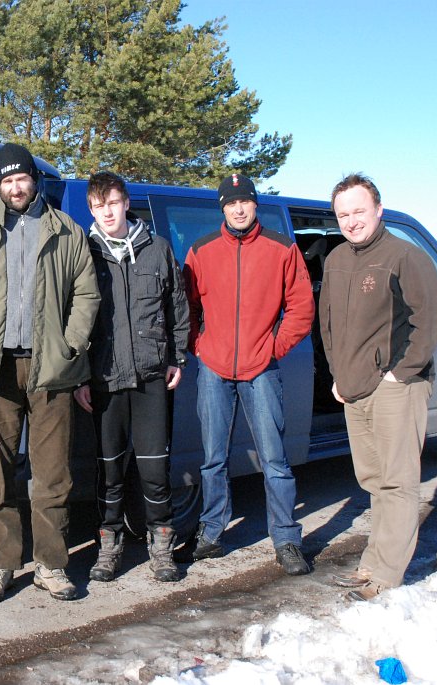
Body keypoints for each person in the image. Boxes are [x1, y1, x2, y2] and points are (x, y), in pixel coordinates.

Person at [0, 142, 100, 603]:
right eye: (7, 180)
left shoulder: (66, 230)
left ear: (34, 181)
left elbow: (86, 294)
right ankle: (1, 563)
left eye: (22, 178)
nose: (16, 187)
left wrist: (69, 345)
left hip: (50, 368)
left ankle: (50, 564)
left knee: (52, 475)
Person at [320, 173, 437, 601]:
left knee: (397, 481)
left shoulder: (404, 256)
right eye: (343, 214)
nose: (351, 221)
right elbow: (328, 324)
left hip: (396, 385)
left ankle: (387, 575)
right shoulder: (337, 258)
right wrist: (338, 375)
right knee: (373, 479)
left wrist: (400, 372)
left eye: (359, 211)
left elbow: (430, 318)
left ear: (378, 209)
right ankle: (373, 562)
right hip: (353, 386)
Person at [183, 173, 314, 576]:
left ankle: (287, 539)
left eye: (244, 201)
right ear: (222, 208)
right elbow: (186, 306)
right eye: (230, 203)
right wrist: (198, 344)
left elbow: (301, 306)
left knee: (275, 459)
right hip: (214, 368)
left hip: (261, 368)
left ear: (255, 204)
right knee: (213, 458)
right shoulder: (202, 251)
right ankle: (211, 531)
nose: (238, 209)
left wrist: (275, 346)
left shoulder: (282, 248)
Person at [73, 172, 189, 583]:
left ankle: (162, 545)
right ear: (91, 210)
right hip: (104, 378)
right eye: (98, 205)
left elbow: (177, 306)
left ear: (125, 203)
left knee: (155, 469)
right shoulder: (84, 254)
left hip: (151, 376)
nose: (107, 212)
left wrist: (177, 357)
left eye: (112, 203)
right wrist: (79, 376)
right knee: (110, 471)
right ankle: (109, 545)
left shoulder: (157, 249)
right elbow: (74, 318)